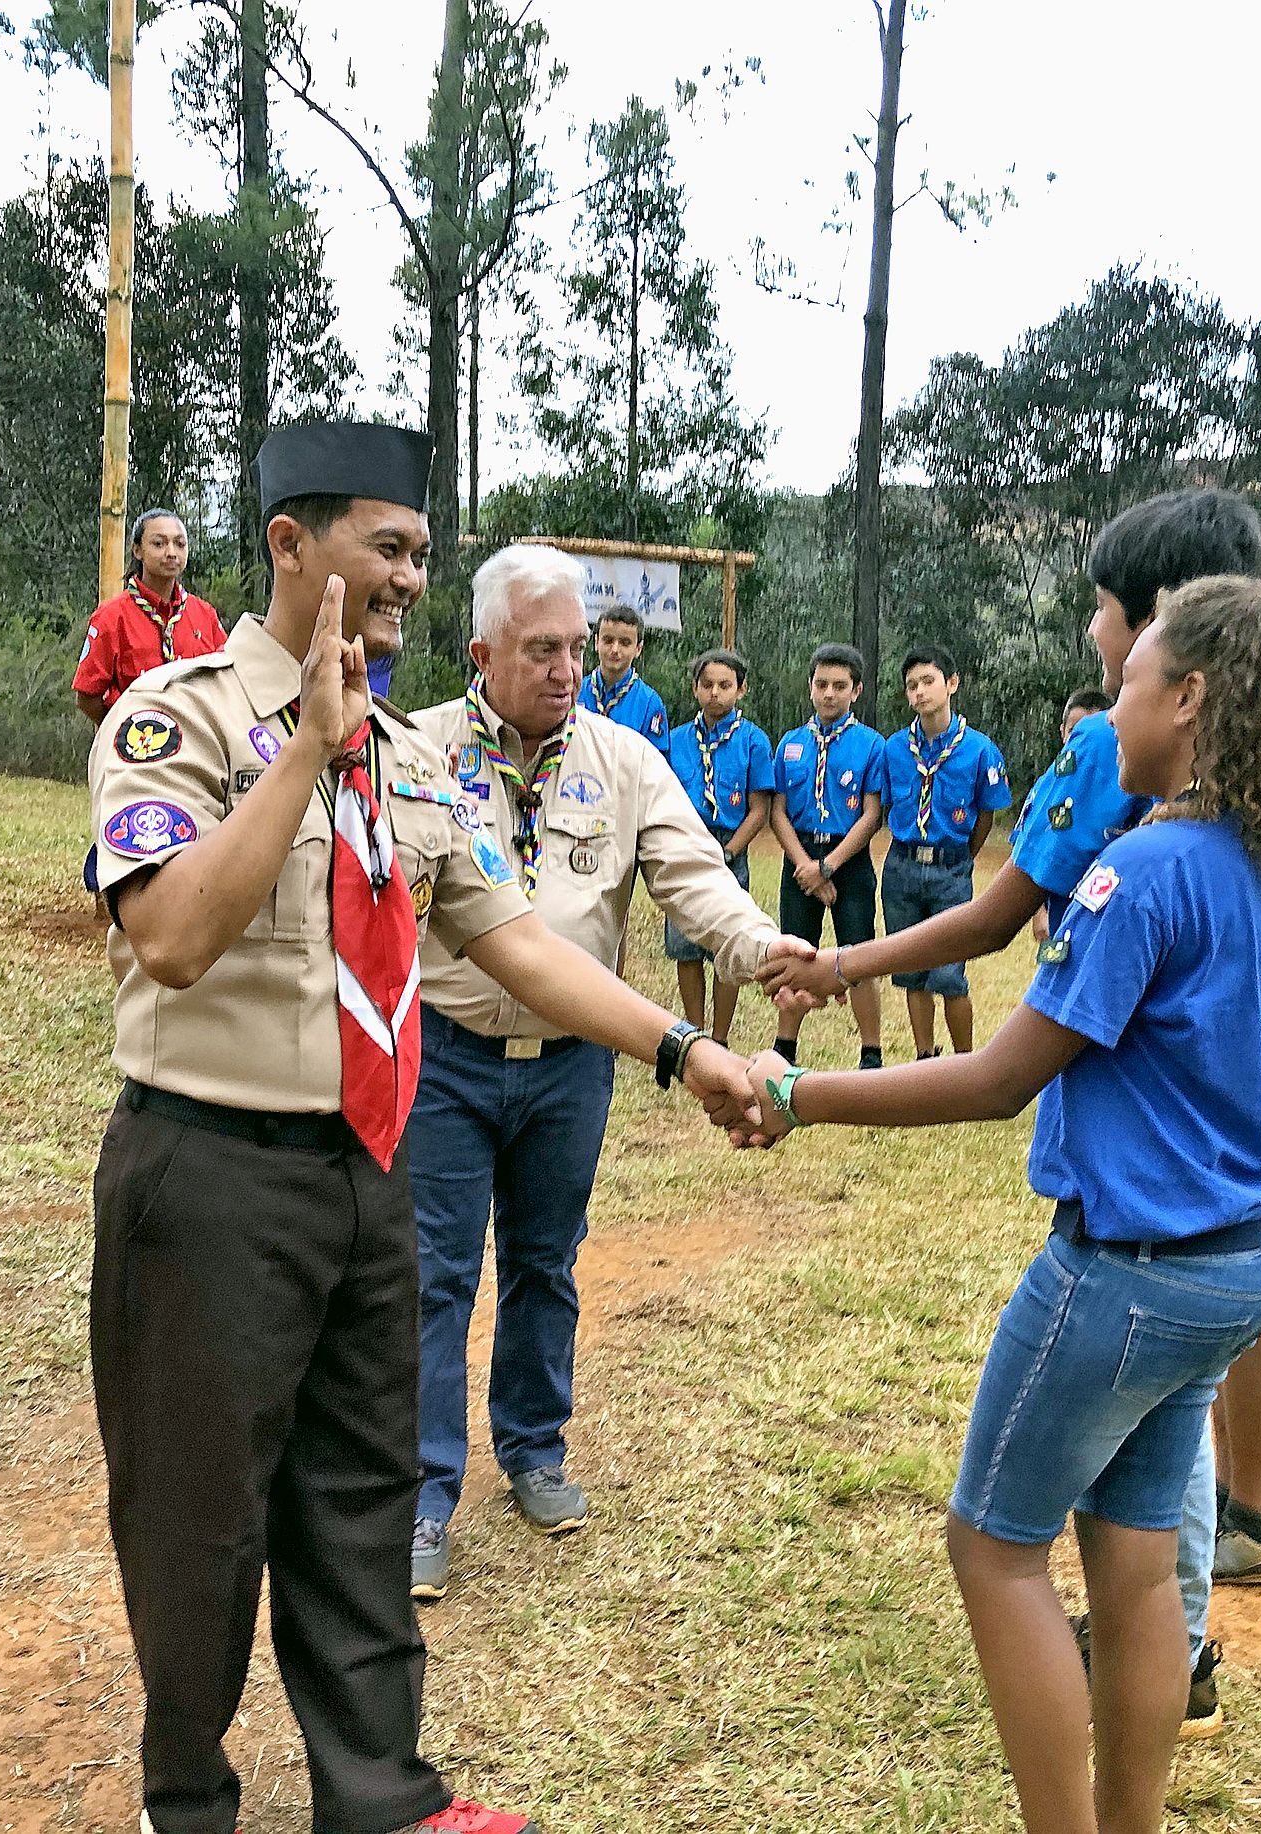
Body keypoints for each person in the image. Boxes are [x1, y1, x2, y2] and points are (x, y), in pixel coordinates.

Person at [84, 422, 760, 1834]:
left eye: (417, 554)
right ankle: (186, 1797)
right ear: (291, 544)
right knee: (199, 1516)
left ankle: (380, 1795)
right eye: (385, 549)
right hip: (206, 1173)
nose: (407, 580)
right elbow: (171, 935)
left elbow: (514, 940)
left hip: (366, 1166)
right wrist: (303, 755)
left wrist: (680, 1045)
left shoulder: (414, 760)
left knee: (359, 1489)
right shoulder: (178, 715)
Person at [737, 577, 1261, 1834]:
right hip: (1236, 1271)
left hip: (1123, 1280)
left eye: (1130, 677)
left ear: (1187, 700)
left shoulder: (1139, 873)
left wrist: (799, 1093)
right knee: (1137, 1563)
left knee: (995, 1548)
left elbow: (998, 1078)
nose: (1108, 702)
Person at [404, 544, 799, 1602]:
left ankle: (533, 1448)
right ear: (483, 650)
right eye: (541, 649)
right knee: (433, 1275)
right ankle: (421, 1492)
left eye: (576, 647)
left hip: (574, 1065)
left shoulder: (624, 760)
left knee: (546, 1257)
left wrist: (765, 952)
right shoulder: (424, 751)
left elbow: (696, 880)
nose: (566, 667)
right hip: (443, 1055)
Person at [874, 645, 1012, 1059]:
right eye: (912, 685)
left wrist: (962, 858)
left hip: (950, 869)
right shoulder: (894, 749)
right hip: (901, 867)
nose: (919, 692)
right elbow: (881, 807)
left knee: (950, 973)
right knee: (911, 970)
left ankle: (966, 1059)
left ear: (951, 684)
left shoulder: (979, 750)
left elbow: (986, 814)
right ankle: (924, 1056)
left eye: (928, 681)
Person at [768, 642, 887, 1070]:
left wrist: (828, 867)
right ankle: (785, 1047)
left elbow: (872, 815)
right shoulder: (790, 743)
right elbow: (777, 811)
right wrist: (805, 865)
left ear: (856, 691)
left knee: (859, 958)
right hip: (799, 857)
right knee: (793, 956)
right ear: (810, 687)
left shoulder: (872, 745)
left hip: (847, 860)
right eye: (822, 684)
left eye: (840, 686)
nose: (829, 694)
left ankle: (870, 1052)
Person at [665, 648, 776, 1043]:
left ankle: (720, 1035)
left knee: (727, 944)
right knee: (685, 946)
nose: (716, 693)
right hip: (684, 843)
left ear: (741, 690)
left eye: (725, 685)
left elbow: (759, 809)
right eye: (707, 685)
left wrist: (728, 853)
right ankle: (693, 1032)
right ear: (695, 689)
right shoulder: (675, 740)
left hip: (730, 847)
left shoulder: (753, 741)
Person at [73, 509, 229, 723]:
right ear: (138, 550)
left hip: (197, 744)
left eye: (180, 544)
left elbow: (226, 681)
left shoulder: (204, 614)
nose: (171, 552)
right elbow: (87, 697)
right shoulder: (111, 617)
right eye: (159, 544)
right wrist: (120, 730)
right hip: (135, 744)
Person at [1030, 688, 1112, 949]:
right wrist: (1038, 911)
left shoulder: (1130, 790)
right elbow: (1032, 858)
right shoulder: (1049, 787)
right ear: (1063, 732)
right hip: (1059, 914)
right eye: (1077, 732)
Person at [577, 603, 672, 755]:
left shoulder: (649, 703)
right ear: (596, 643)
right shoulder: (575, 691)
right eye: (608, 640)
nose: (615, 649)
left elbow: (657, 766)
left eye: (625, 643)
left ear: (638, 649)